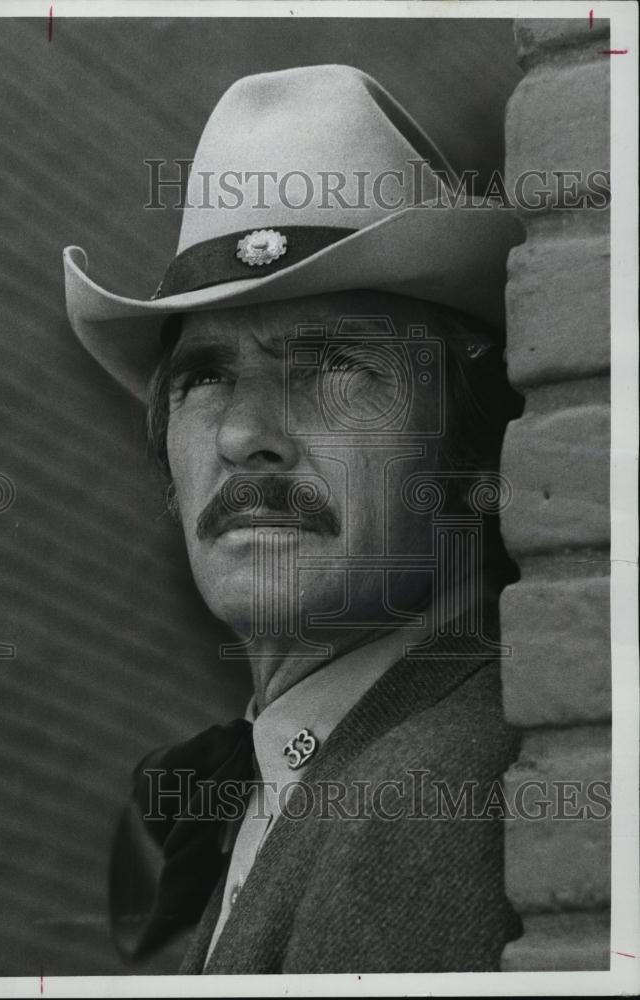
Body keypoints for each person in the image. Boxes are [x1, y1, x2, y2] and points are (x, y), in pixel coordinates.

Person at [63, 64, 525, 974]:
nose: (245, 436)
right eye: (206, 377)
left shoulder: (432, 800)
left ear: (473, 457)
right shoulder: (333, 765)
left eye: (335, 366)